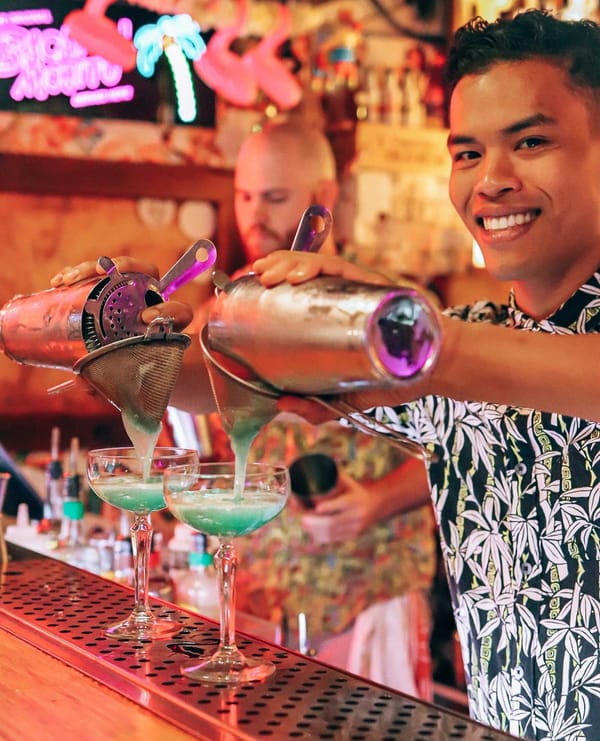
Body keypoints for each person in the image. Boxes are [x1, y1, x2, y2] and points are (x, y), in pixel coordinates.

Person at [246, 10, 600, 740]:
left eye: (530, 141)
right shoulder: (465, 347)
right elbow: (232, 373)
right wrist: (107, 328)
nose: (491, 181)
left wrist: (414, 333)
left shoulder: (452, 350)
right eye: (466, 153)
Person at [51, 120, 438, 698]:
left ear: (323, 201)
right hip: (258, 595)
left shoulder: (381, 305)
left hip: (365, 589)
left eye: (276, 199)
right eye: (245, 196)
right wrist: (108, 330)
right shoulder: (222, 308)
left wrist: (378, 502)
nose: (255, 215)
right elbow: (169, 393)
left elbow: (456, 440)